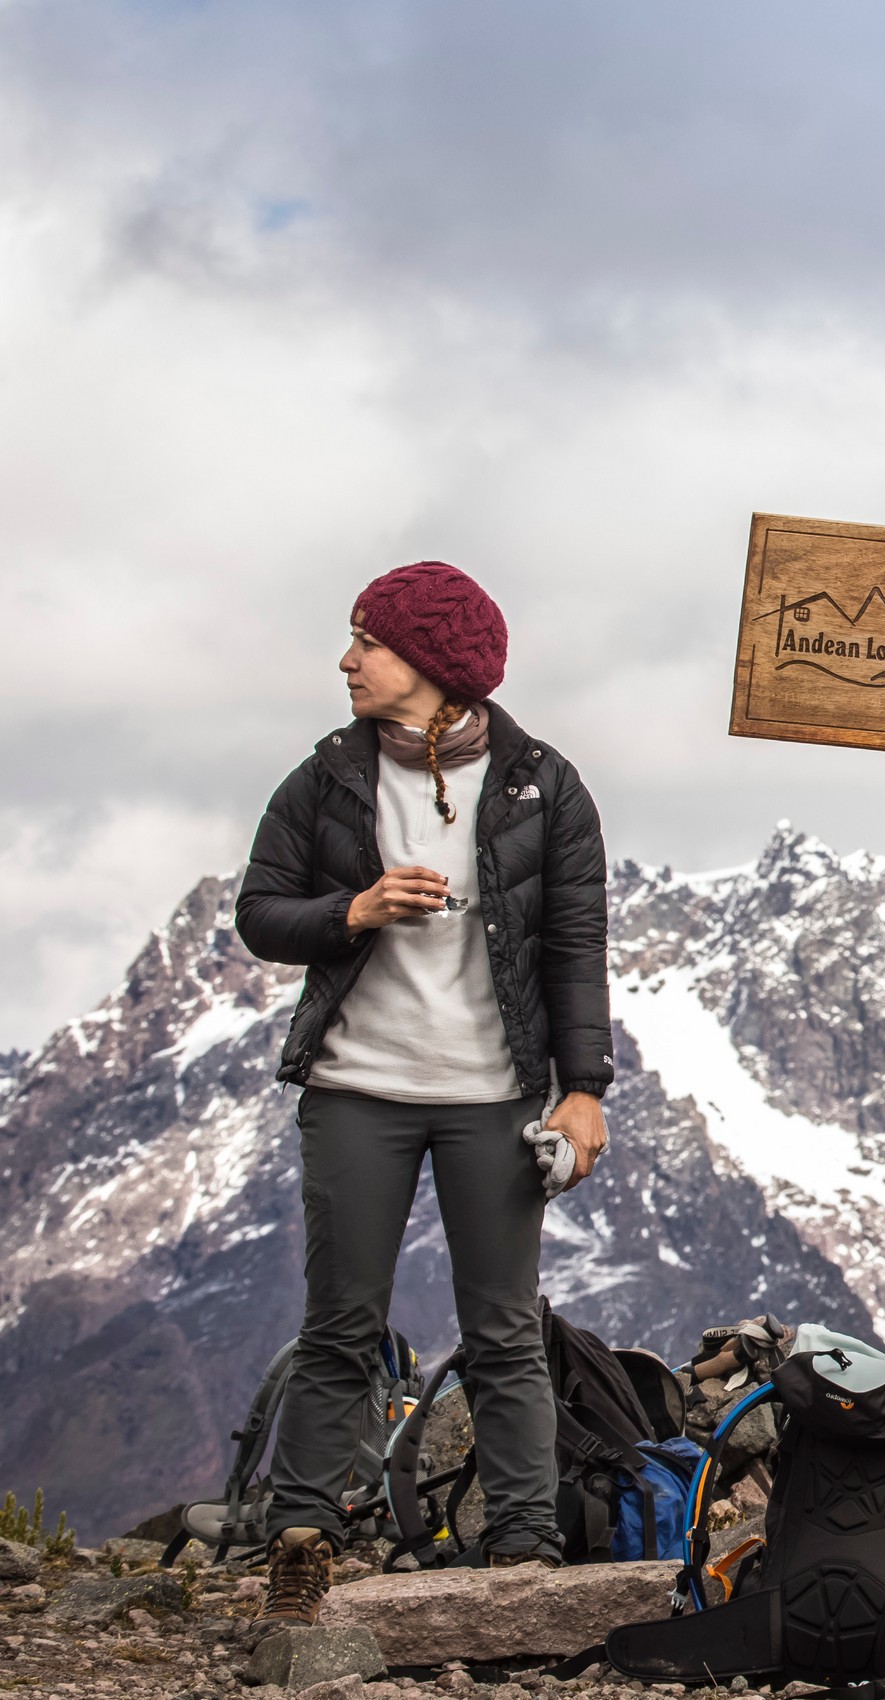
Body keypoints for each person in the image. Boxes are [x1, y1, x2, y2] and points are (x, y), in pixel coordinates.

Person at [234, 561, 611, 1623]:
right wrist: (351, 911)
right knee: (341, 1323)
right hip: (357, 1087)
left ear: (435, 665)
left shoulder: (544, 784)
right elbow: (261, 914)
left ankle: (526, 1550)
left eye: (369, 643)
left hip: (495, 1096)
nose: (348, 661)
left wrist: (582, 1092)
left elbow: (576, 948)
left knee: (503, 1326)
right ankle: (301, 1537)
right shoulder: (326, 778)